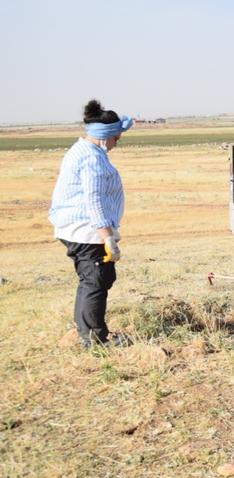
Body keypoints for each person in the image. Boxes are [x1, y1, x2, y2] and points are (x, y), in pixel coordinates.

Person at [48, 100, 134, 348]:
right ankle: (94, 339)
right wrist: (108, 238)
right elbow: (94, 200)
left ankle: (89, 332)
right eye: (117, 137)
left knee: (93, 280)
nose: (118, 142)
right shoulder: (92, 158)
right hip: (86, 231)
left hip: (79, 229)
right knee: (95, 281)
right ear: (106, 135)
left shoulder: (82, 150)